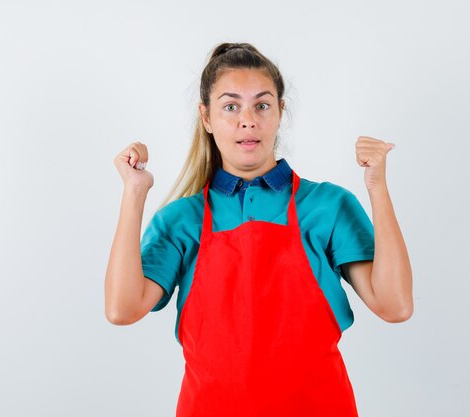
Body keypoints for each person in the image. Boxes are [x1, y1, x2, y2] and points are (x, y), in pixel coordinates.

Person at [105, 42, 413, 417]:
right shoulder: (181, 219)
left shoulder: (327, 206)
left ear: (281, 112)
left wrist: (377, 186)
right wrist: (134, 193)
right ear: (206, 117)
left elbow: (395, 305)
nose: (247, 120)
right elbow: (122, 309)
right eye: (230, 106)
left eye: (262, 105)